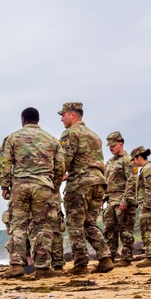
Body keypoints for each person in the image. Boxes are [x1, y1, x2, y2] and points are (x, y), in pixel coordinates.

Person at [0, 107, 65, 279]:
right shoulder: (52, 140)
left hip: (20, 186)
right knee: (42, 226)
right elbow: (60, 167)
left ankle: (16, 265)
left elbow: (5, 163)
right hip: (43, 186)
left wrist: (5, 186)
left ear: (23, 120)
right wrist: (55, 186)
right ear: (38, 120)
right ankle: (42, 267)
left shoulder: (12, 138)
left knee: (18, 225)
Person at [58, 102, 113, 274]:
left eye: (63, 115)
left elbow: (64, 160)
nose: (61, 119)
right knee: (89, 223)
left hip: (80, 184)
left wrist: (58, 176)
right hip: (98, 182)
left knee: (75, 224)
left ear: (72, 115)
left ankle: (81, 264)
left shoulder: (70, 133)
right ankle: (105, 258)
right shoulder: (94, 135)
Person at [102, 131, 137, 266]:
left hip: (123, 199)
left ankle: (126, 258)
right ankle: (110, 257)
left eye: (113, 145)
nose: (110, 148)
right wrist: (102, 199)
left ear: (121, 144)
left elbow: (132, 180)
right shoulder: (110, 162)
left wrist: (126, 199)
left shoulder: (128, 160)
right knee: (109, 230)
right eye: (109, 146)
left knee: (125, 229)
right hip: (111, 200)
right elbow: (106, 181)